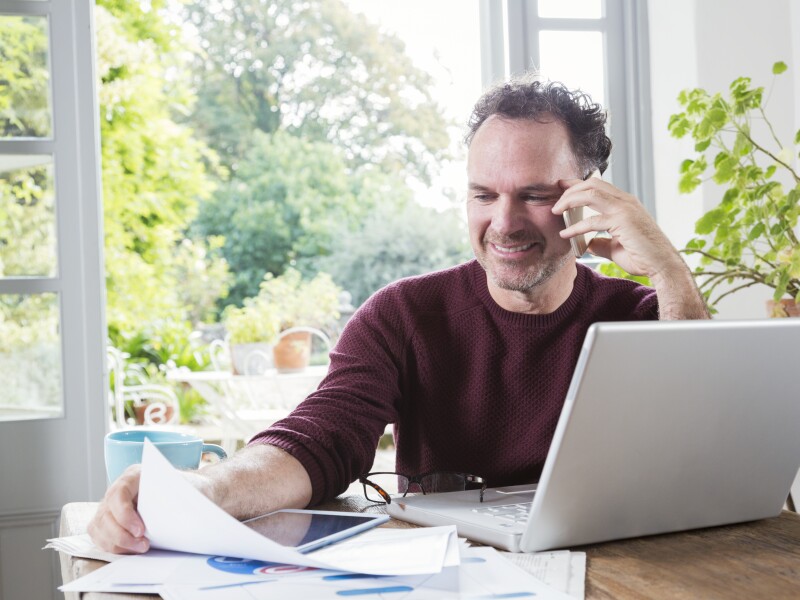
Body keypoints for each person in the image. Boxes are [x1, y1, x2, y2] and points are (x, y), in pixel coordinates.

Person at [89, 75, 708, 554]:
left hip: (624, 567)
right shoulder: (404, 315)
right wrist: (201, 489)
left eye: (535, 195)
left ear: (589, 197)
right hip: (453, 572)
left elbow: (700, 446)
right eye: (483, 194)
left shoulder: (642, 318)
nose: (504, 222)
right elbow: (321, 436)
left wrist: (670, 271)